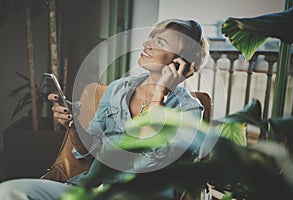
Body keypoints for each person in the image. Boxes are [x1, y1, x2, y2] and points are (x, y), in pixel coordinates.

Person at [0, 18, 209, 199]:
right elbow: (88, 152)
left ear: (182, 61)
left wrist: (158, 96)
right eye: (151, 37)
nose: (146, 44)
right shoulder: (118, 89)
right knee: (10, 191)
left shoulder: (190, 111)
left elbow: (150, 165)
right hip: (88, 189)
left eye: (159, 42)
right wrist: (73, 125)